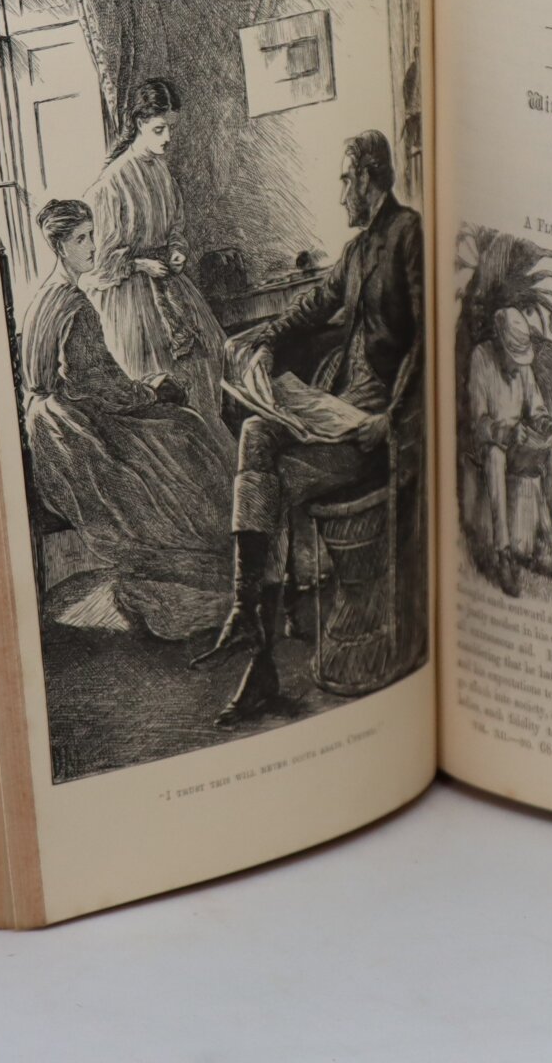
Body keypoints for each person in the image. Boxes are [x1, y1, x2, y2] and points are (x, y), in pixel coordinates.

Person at [205, 129, 422, 724]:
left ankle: (257, 658)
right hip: (340, 410)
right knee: (256, 434)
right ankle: (246, 609)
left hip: (375, 430)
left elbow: (428, 339)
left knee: (269, 486)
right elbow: (310, 307)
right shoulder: (356, 251)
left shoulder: (408, 237)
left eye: (347, 179)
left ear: (369, 178)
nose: (341, 192)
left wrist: (392, 420)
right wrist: (266, 345)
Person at [20, 199, 233, 576]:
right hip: (73, 431)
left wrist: (140, 388)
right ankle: (223, 541)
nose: (92, 246)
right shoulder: (74, 305)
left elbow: (88, 379)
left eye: (92, 235)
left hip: (47, 423)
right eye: (81, 239)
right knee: (184, 427)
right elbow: (97, 384)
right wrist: (152, 391)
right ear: (59, 247)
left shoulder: (44, 298)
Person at [84, 79, 235, 464]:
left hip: (171, 285)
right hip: (133, 301)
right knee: (159, 386)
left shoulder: (163, 173)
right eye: (159, 129)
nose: (168, 138)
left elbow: (176, 229)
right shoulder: (111, 183)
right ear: (139, 123)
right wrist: (138, 264)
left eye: (171, 129)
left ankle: (210, 461)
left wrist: (178, 251)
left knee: (207, 363)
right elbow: (101, 261)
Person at [468, 306, 552, 597]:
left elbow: (536, 410)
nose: (517, 365)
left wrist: (551, 428)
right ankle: (503, 554)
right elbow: (479, 424)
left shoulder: (524, 369)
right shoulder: (480, 358)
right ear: (500, 344)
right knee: (494, 456)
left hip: (518, 446)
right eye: (513, 357)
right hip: (493, 446)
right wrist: (505, 432)